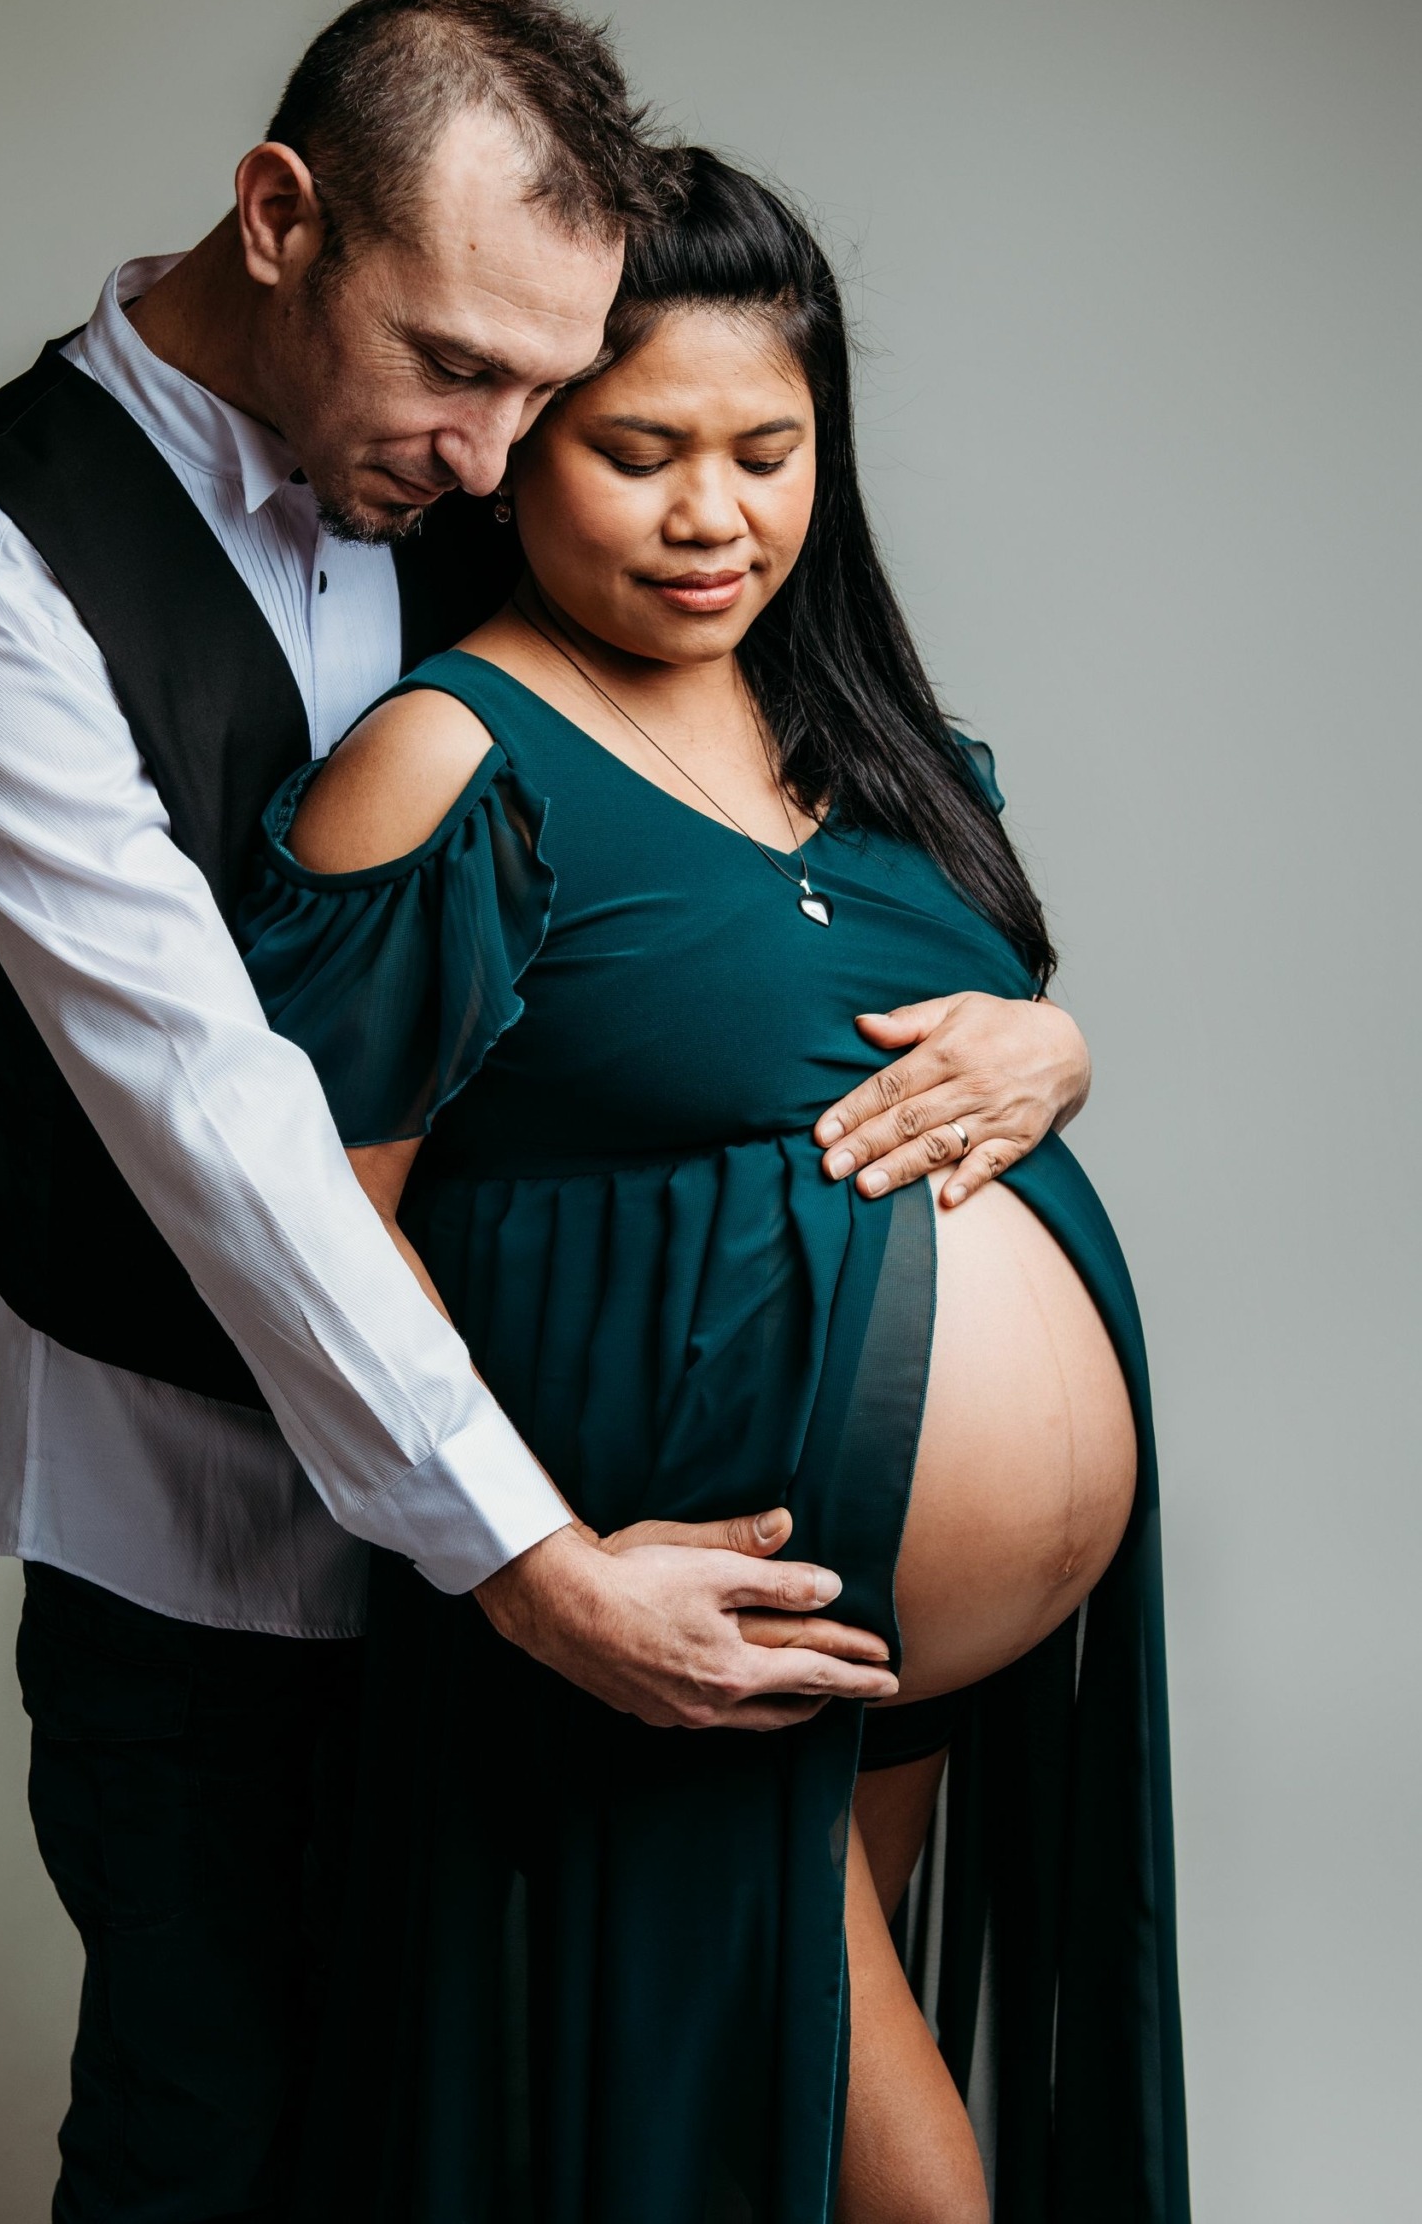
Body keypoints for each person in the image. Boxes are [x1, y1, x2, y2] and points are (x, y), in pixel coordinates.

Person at [0, 0, 1095, 2219]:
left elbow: (726, 903)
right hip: (219, 1532)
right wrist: (524, 1559)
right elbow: (213, 1110)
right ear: (275, 217)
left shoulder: (486, 469)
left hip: (585, 1535)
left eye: (550, 387)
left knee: (510, 2142)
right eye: (456, 368)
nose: (507, 449)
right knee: (220, 2136)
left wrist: (1037, 1035)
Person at [238, 150, 1188, 2222]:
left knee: (765, 2164)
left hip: (922, 1635)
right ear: (511, 454)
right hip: (686, 1582)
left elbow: (958, 1025)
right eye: (637, 450)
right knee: (892, 2180)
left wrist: (1056, 1045)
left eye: (766, 450)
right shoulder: (449, 750)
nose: (710, 514)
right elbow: (320, 1228)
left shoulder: (866, 729)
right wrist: (550, 1558)